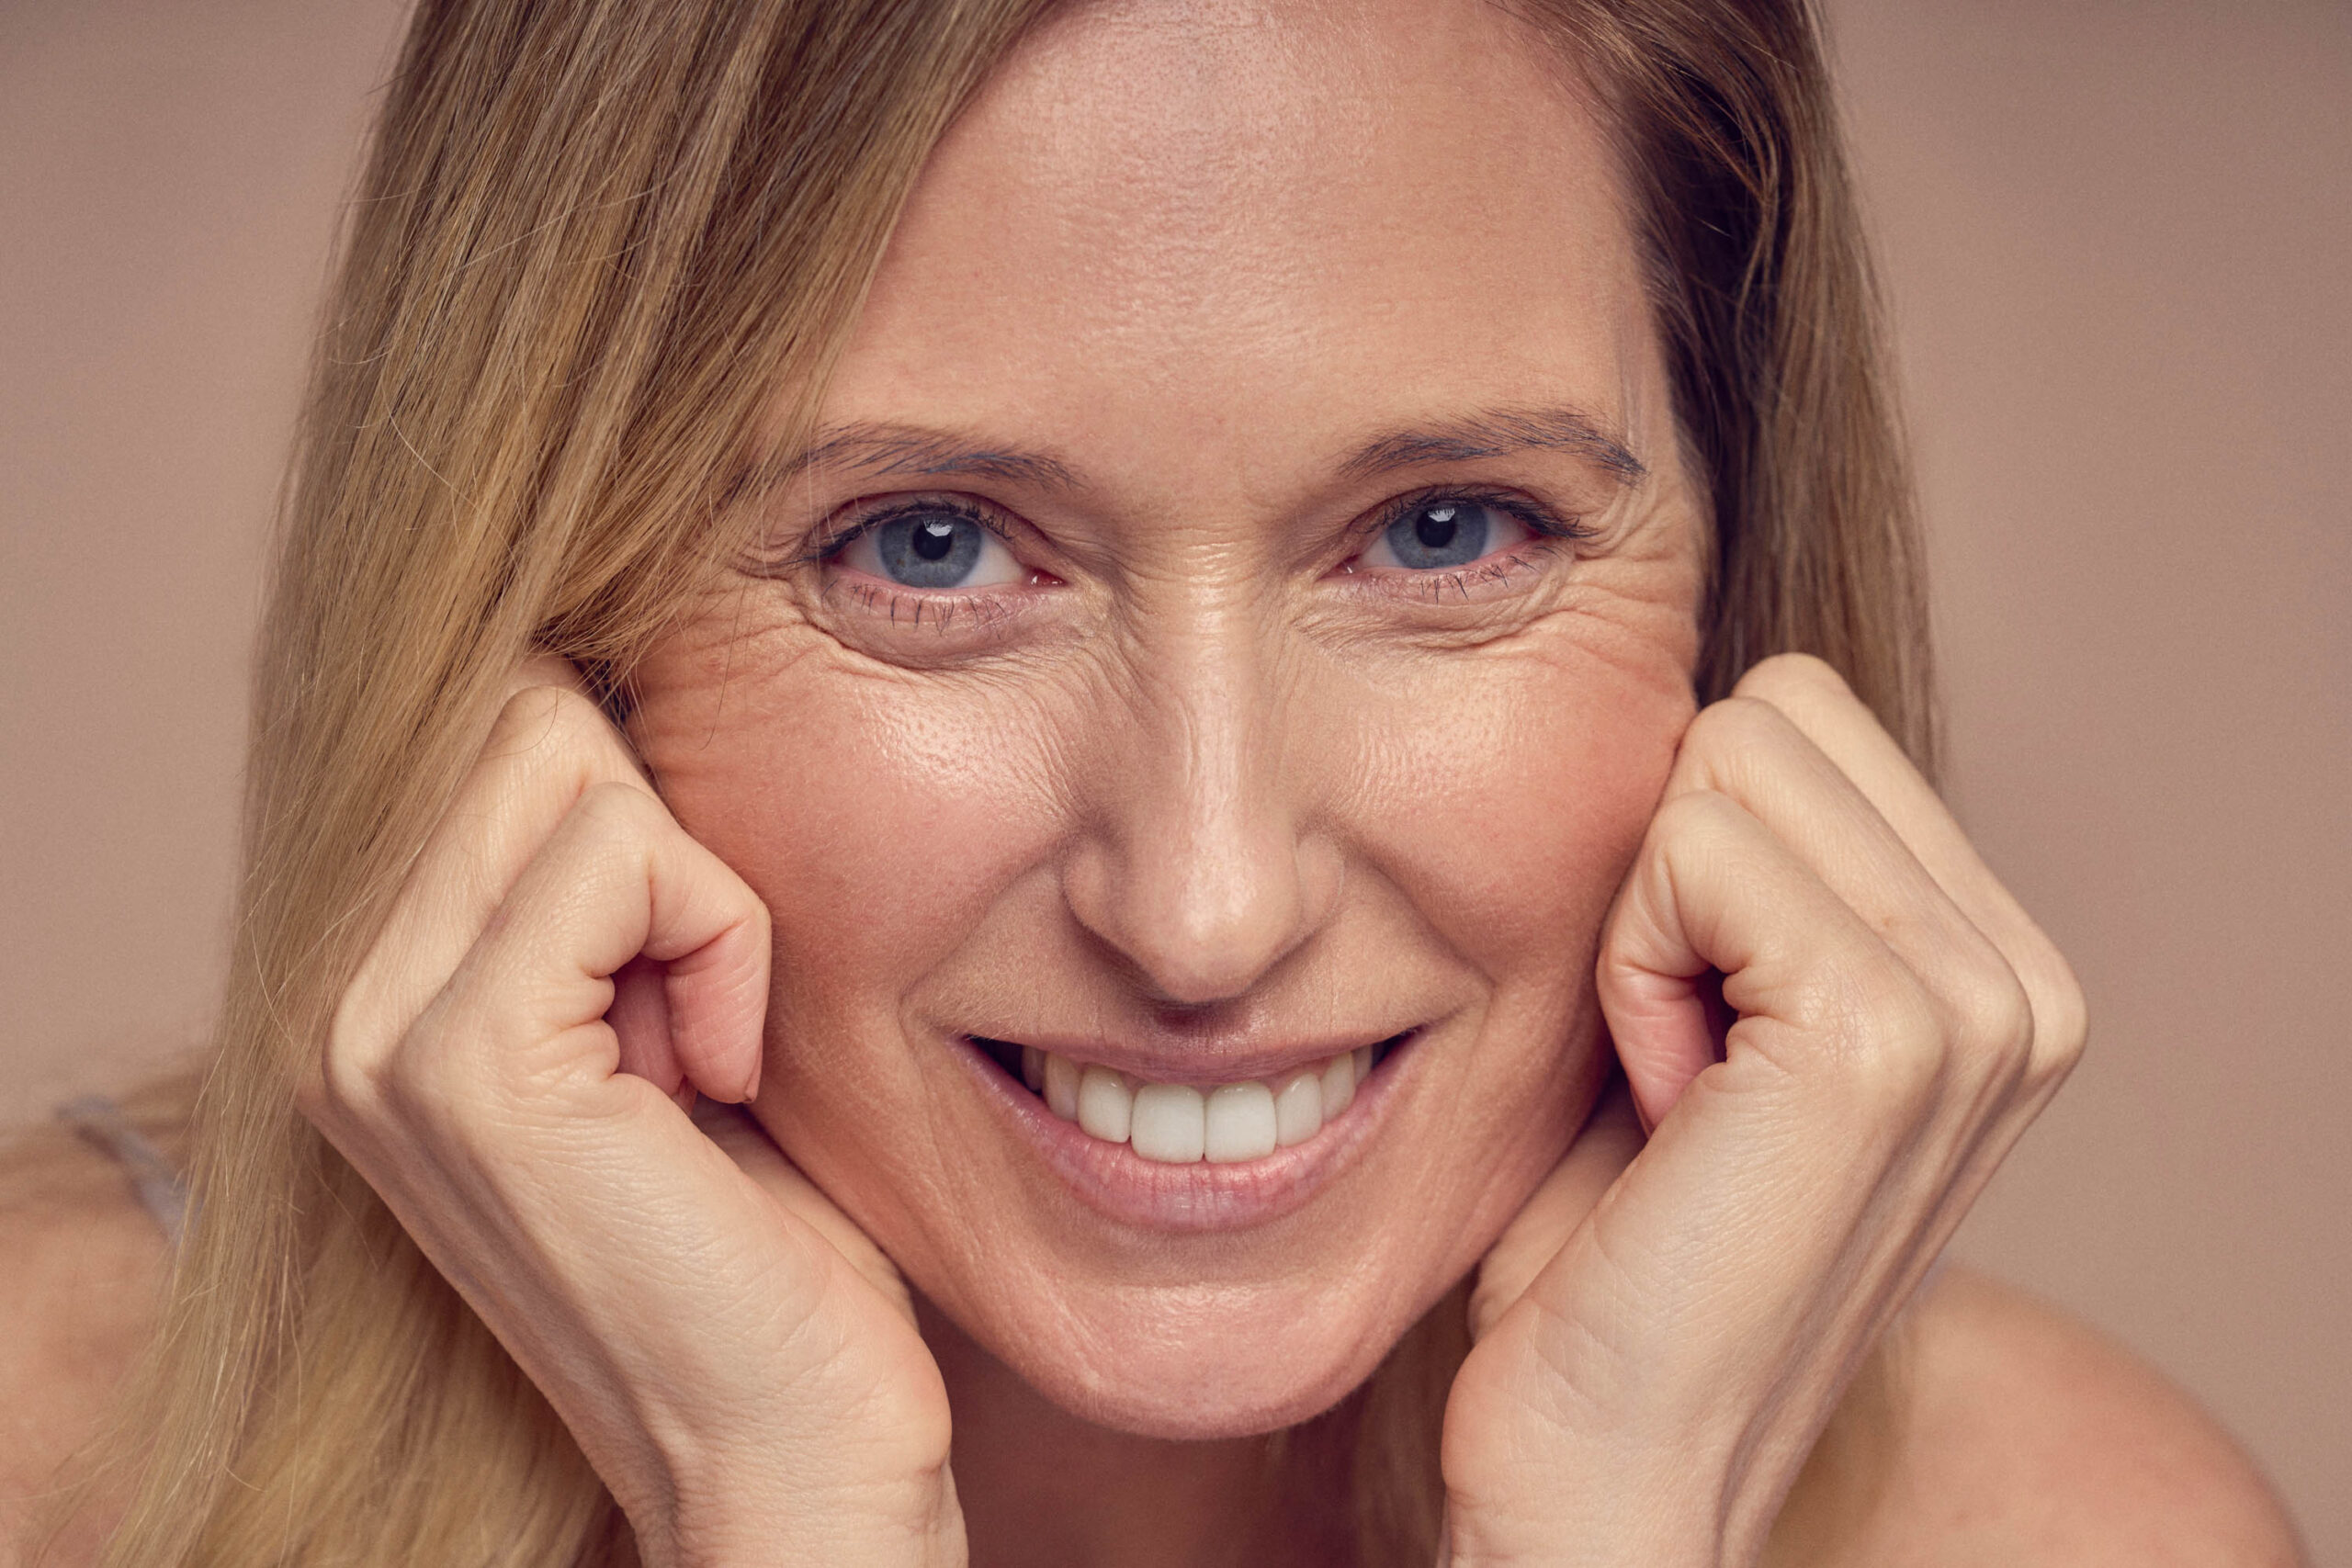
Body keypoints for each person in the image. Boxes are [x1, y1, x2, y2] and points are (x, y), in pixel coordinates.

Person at [0, 0, 2307, 1562]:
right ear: (540, 621)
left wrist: (1601, 1524)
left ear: (1737, 589)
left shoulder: (2075, 1527)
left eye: (1442, 531)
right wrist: (781, 1494)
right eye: (925, 548)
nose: (1201, 907)